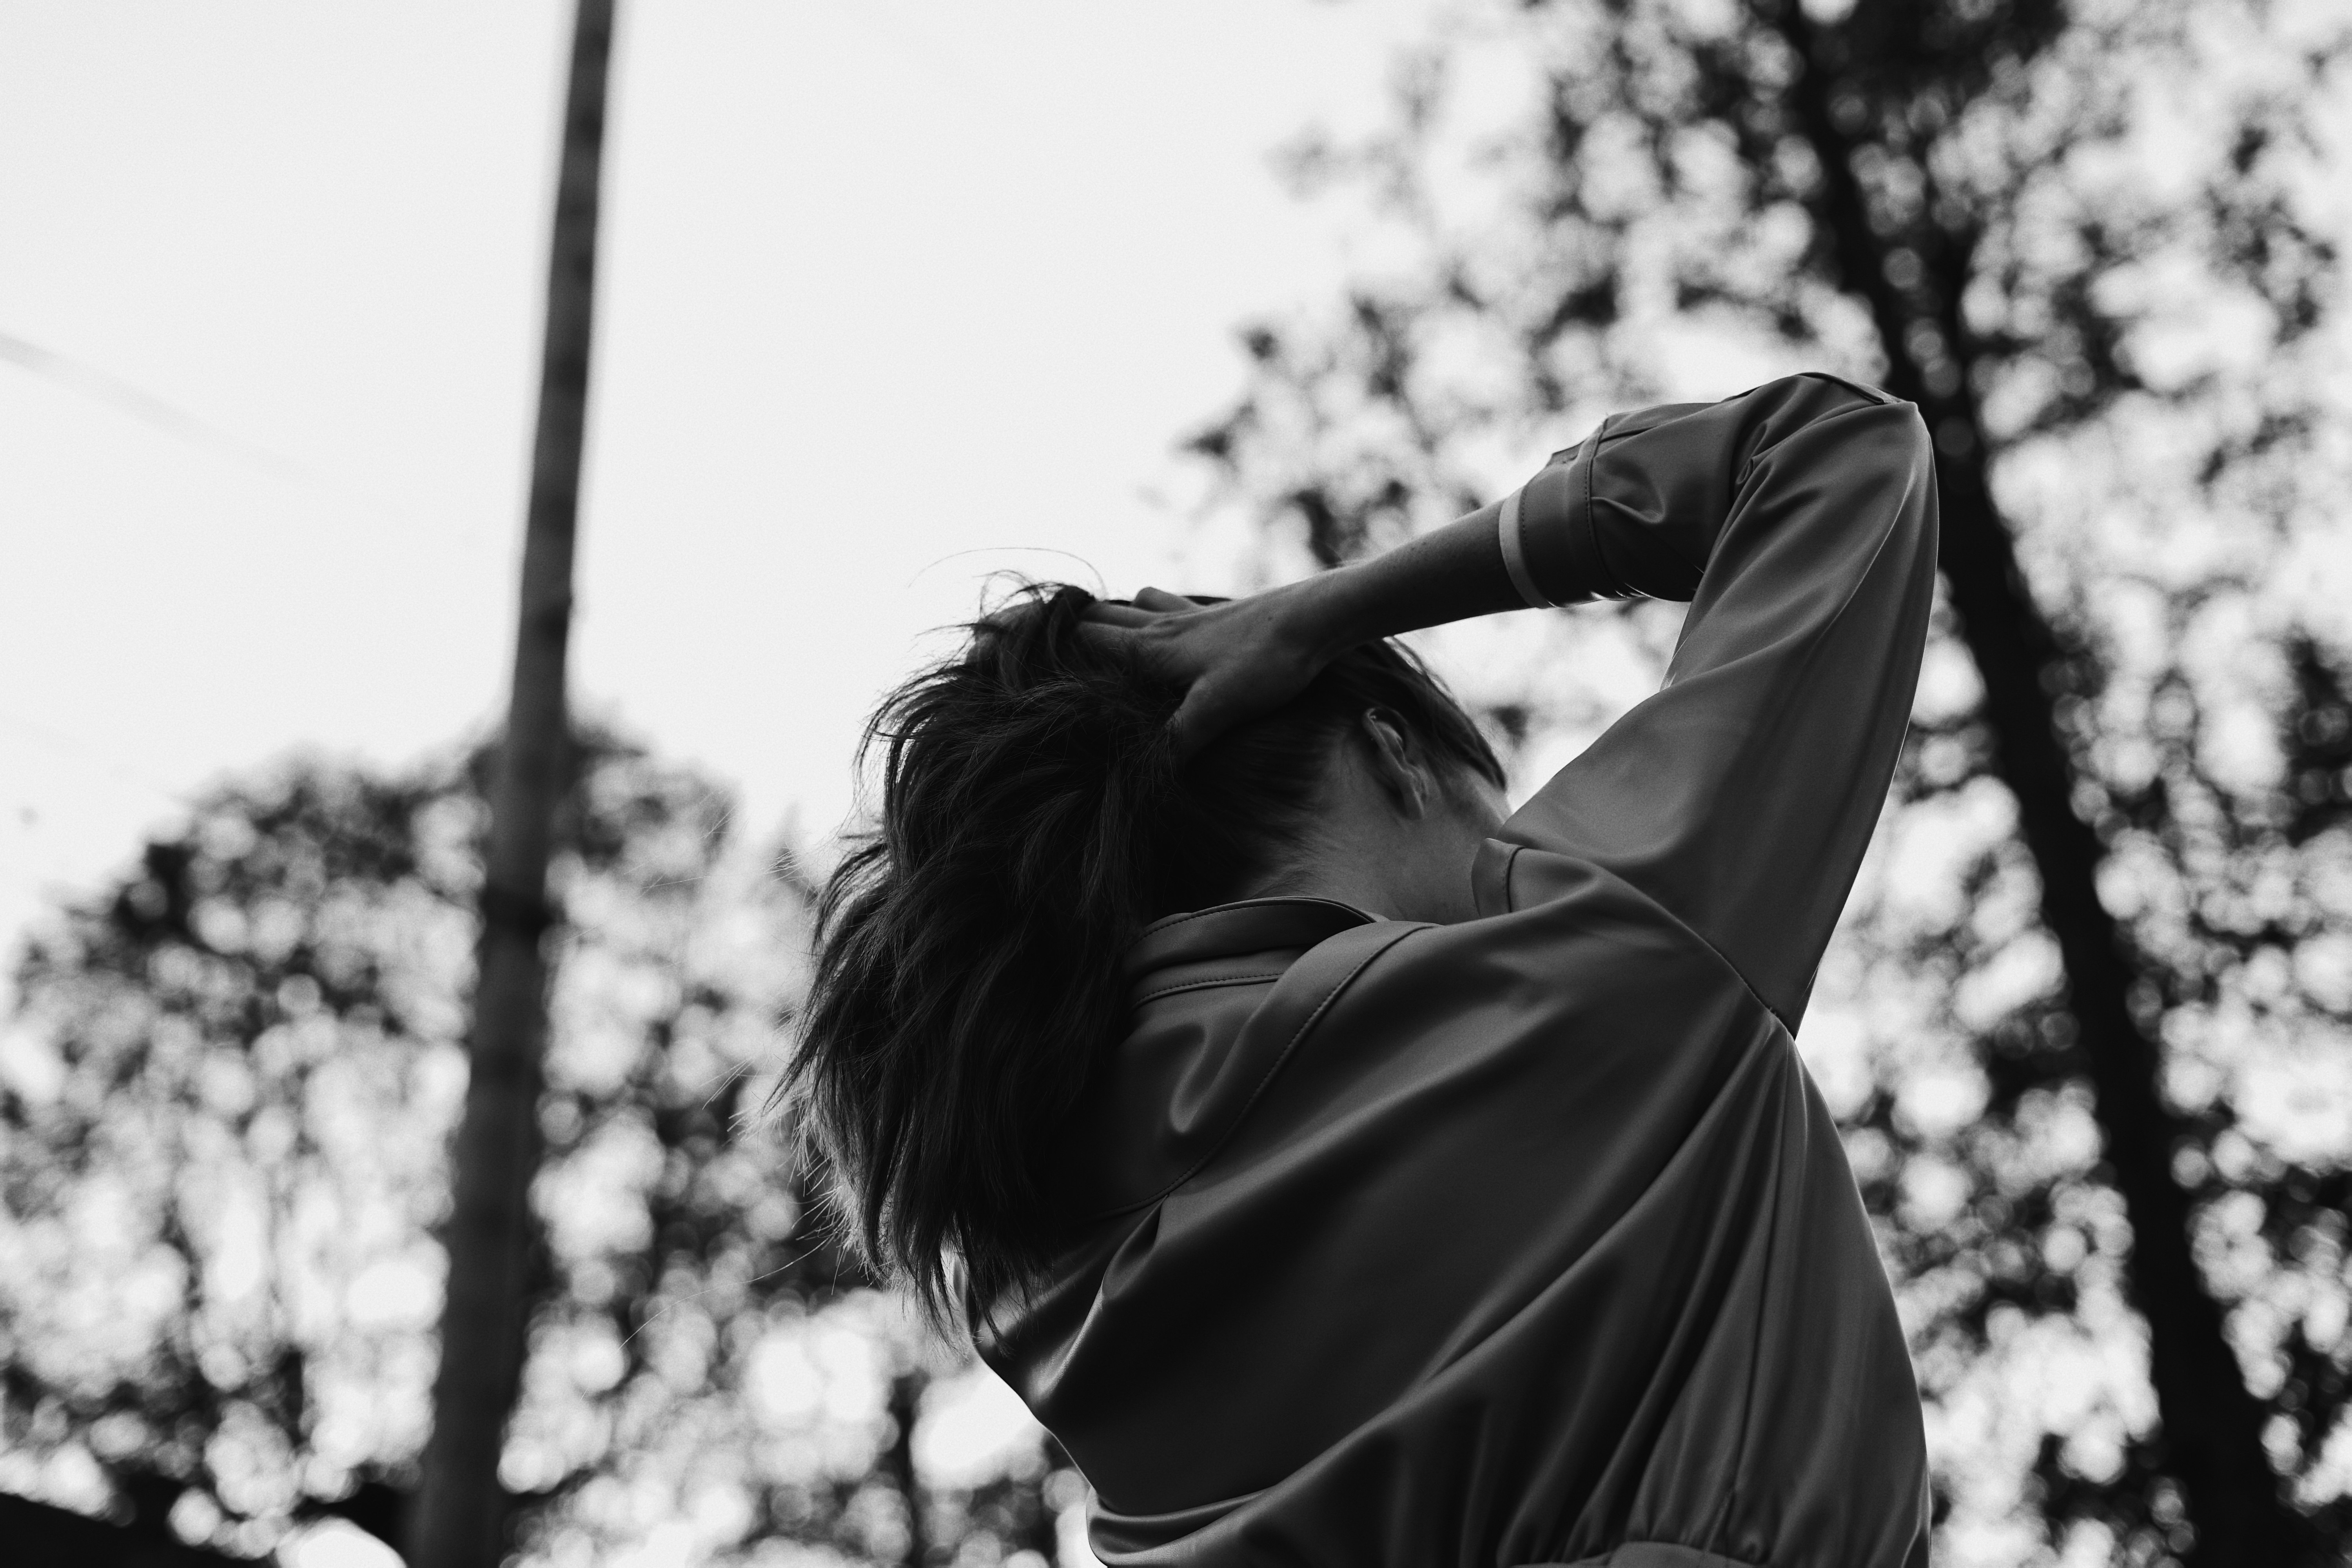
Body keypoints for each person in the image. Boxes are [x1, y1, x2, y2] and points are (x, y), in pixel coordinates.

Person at [789, 372, 1940, 1567]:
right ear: (1394, 756)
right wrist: (1332, 612)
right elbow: (1834, 453)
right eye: (1488, 804)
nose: (1508, 845)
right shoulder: (1594, 972)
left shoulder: (1032, 1260)